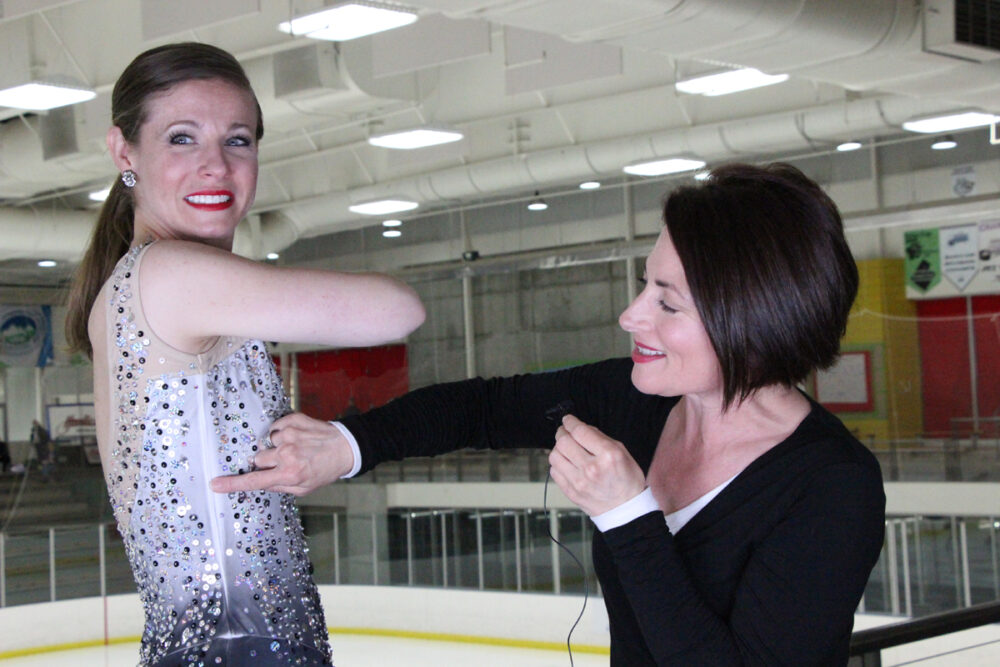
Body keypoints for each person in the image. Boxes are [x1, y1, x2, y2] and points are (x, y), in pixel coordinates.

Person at [215, 162, 887, 665]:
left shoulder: (831, 485)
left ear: (753, 319)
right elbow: (480, 407)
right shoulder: (629, 399)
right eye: (643, 285)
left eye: (667, 302)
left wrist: (629, 515)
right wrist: (346, 443)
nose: (631, 315)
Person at [65, 42, 425, 666]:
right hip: (239, 644)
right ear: (125, 152)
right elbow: (399, 310)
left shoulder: (148, 281)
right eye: (182, 138)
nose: (215, 165)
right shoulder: (170, 275)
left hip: (231, 640)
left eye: (237, 140)